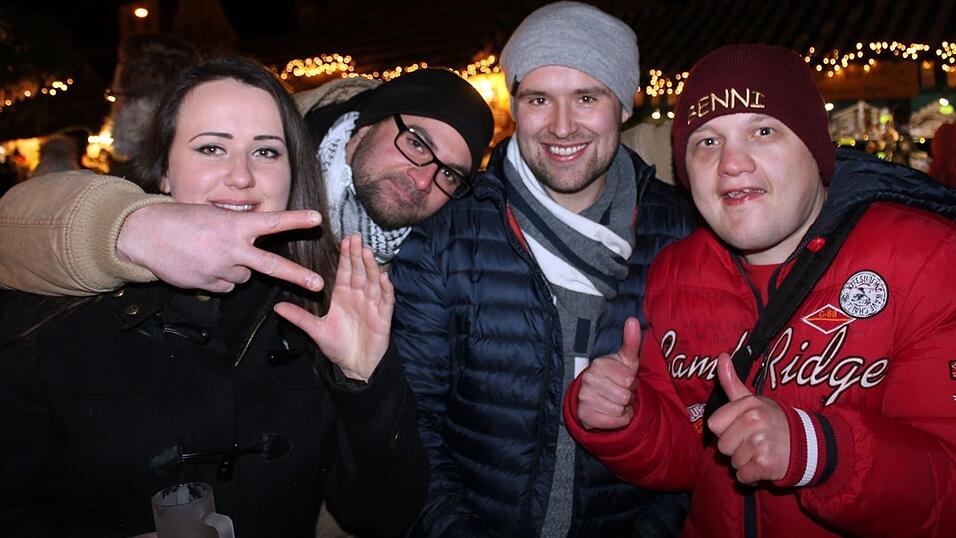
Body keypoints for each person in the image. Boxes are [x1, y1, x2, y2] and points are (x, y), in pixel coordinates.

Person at [0, 57, 427, 537]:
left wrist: (365, 380)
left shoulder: (318, 314)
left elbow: (381, 515)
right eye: (210, 148)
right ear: (163, 172)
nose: (241, 176)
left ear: (293, 178)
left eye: (266, 152)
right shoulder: (60, 317)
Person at [564, 44, 956, 537]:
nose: (731, 163)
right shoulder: (676, 273)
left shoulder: (929, 259)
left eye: (763, 130)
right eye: (706, 141)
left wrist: (818, 451)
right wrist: (626, 420)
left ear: (815, 150)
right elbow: (691, 460)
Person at [388, 3, 695, 536]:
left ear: (623, 105)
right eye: (538, 99)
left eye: (586, 97)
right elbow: (413, 430)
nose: (560, 126)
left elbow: (699, 422)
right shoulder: (446, 241)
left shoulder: (682, 235)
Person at [0, 66, 494, 295]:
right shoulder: (272, 162)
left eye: (450, 173)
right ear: (363, 127)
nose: (425, 177)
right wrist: (130, 230)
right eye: (416, 142)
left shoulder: (434, 261)